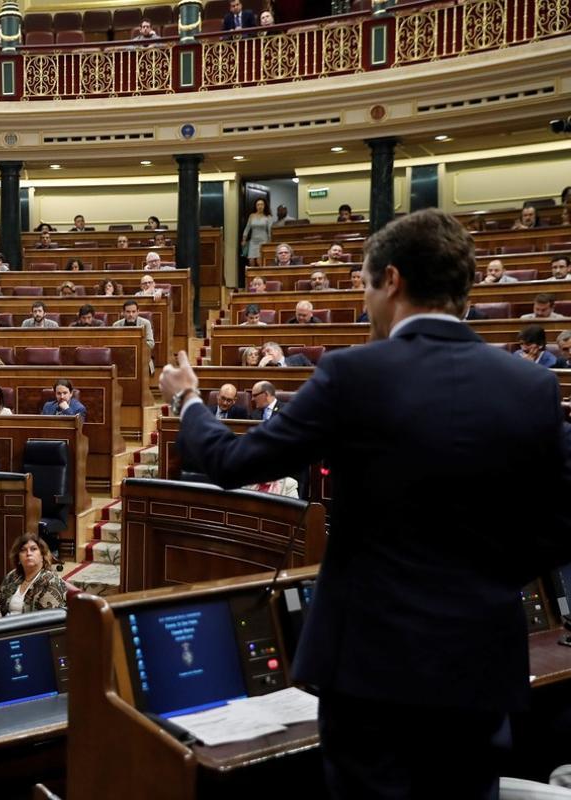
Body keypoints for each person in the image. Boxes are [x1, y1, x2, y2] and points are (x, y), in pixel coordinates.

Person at [159, 207, 571, 800]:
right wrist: (489, 578)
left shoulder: (355, 373)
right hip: (481, 665)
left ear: (393, 281)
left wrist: (190, 401)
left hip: (371, 671)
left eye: (364, 283)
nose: (365, 298)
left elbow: (230, 463)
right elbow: (562, 523)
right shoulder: (531, 386)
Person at [0, 532, 68, 620]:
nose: (28, 553)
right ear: (18, 558)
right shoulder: (13, 576)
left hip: (31, 631)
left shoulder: (51, 581)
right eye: (23, 550)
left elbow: (45, 620)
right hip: (6, 627)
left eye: (33, 549)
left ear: (42, 556)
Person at [112, 299, 156, 373]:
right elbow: (113, 344)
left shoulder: (146, 323)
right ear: (123, 313)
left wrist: (136, 346)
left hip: (141, 356)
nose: (131, 315)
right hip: (123, 358)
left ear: (138, 312)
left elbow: (151, 344)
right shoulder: (116, 325)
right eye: (128, 312)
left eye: (133, 312)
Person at [241, 197, 273, 266]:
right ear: (256, 206)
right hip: (253, 241)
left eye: (262, 204)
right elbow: (247, 228)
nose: (260, 206)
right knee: (251, 261)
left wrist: (270, 243)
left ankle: (260, 276)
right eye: (258, 205)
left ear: (264, 206)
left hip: (263, 241)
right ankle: (253, 276)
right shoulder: (252, 216)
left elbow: (270, 231)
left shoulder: (268, 217)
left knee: (259, 261)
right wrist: (244, 239)